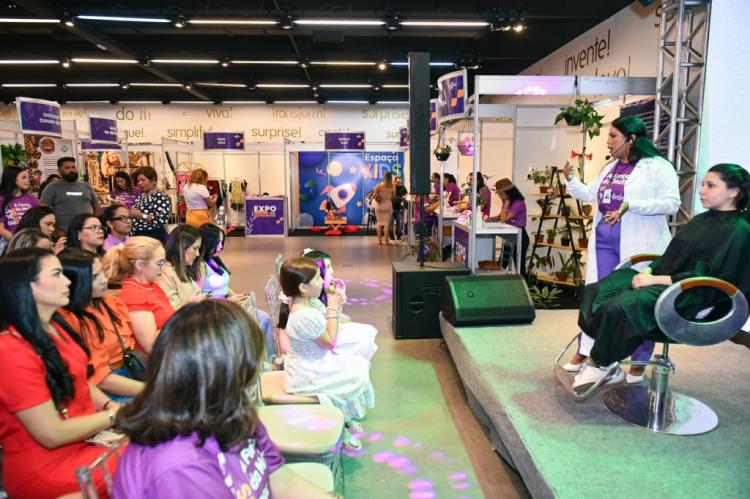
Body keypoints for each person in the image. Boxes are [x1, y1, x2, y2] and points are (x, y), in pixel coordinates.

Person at [112, 300, 332, 498]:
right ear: (222, 375)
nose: (255, 375)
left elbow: (280, 479)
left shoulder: (230, 408)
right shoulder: (178, 466)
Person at [572, 164, 750, 393]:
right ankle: (609, 359)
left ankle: (600, 363)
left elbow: (710, 275)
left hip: (695, 294)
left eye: (710, 185)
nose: (701, 190)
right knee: (599, 290)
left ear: (734, 191)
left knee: (624, 305)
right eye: (702, 184)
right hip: (669, 281)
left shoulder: (739, 230)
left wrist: (656, 280)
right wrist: (649, 270)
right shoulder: (702, 220)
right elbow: (672, 255)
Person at [562, 115, 680, 381]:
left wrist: (632, 205)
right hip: (604, 244)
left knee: (635, 304)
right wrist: (571, 179)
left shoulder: (657, 166)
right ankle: (592, 353)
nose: (608, 141)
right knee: (599, 299)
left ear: (631, 138)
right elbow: (590, 194)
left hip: (638, 247)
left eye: (613, 136)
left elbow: (671, 203)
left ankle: (639, 360)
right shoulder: (610, 167)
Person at [0, 248, 121, 498]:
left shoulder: (56, 324)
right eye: (56, 274)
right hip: (47, 465)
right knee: (150, 460)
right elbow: (51, 433)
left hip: (84, 441)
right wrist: (114, 415)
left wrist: (109, 408)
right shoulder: (10, 349)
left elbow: (80, 380)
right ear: (27, 286)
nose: (67, 281)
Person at [278, 257, 375, 450]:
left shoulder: (308, 302)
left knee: (355, 366)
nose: (323, 281)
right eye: (317, 278)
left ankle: (343, 420)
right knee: (354, 375)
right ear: (303, 287)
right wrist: (332, 305)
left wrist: (335, 304)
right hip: (306, 373)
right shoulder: (303, 315)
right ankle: (340, 430)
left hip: (313, 362)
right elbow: (330, 341)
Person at [57, 248, 145, 401]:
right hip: (107, 388)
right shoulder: (70, 320)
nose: (104, 279)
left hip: (133, 368)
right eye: (94, 277)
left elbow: (132, 341)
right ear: (72, 282)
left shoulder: (110, 301)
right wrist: (151, 390)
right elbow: (99, 378)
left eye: (102, 272)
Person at [196, 223, 276, 357]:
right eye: (217, 242)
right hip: (214, 313)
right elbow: (199, 297)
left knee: (264, 318)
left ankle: (269, 358)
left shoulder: (214, 260)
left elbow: (223, 286)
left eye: (222, 242)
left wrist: (236, 295)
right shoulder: (200, 266)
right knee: (260, 322)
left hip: (226, 306)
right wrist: (227, 300)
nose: (221, 246)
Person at [301, 249, 378, 360]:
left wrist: (338, 303)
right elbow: (329, 338)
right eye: (328, 268)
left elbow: (334, 320)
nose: (332, 271)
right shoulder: (310, 303)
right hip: (321, 344)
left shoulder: (320, 294)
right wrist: (334, 305)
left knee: (368, 331)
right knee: (364, 338)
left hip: (329, 333)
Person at [104, 236, 174, 353]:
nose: (164, 268)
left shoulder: (151, 285)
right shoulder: (134, 296)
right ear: (140, 265)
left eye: (164, 262)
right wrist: (180, 320)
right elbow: (151, 346)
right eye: (159, 263)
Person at [40, 156, 100, 232]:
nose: (71, 170)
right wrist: (57, 230)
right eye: (67, 168)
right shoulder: (51, 187)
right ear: (59, 171)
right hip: (63, 233)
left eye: (73, 167)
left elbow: (96, 207)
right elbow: (43, 211)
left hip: (86, 232)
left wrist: (95, 224)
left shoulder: (86, 186)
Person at [486, 178, 529, 277]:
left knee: (520, 265)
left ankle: (525, 284)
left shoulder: (518, 203)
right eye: (499, 194)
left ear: (509, 192)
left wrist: (506, 203)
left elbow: (503, 219)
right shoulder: (509, 202)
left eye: (501, 194)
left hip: (520, 236)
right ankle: (499, 281)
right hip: (510, 235)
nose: (500, 196)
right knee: (503, 262)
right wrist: (490, 219)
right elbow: (500, 216)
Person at [157, 224, 206, 309]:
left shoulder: (193, 267)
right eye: (195, 248)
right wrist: (189, 304)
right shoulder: (166, 274)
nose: (198, 254)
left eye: (198, 249)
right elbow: (171, 311)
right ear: (180, 247)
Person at [0, 166, 40, 253]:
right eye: (24, 177)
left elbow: (42, 217)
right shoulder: (2, 200)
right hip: (10, 245)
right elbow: (0, 228)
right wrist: (17, 241)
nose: (27, 180)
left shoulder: (32, 199)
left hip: (31, 243)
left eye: (28, 178)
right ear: (13, 179)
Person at [128, 166, 172, 242]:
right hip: (137, 236)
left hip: (152, 237)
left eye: (143, 180)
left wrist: (140, 215)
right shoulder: (141, 196)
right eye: (138, 181)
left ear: (153, 180)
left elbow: (160, 220)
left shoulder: (159, 196)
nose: (140, 183)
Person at [372, 171, 396, 245]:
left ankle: (379, 241)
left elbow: (373, 196)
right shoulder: (393, 187)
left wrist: (379, 196)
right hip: (388, 206)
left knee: (379, 223)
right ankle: (386, 241)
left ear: (384, 177)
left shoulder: (378, 186)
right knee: (386, 224)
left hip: (379, 206)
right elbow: (393, 197)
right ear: (390, 178)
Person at [391, 175, 408, 242]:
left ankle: (398, 237)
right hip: (391, 209)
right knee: (391, 224)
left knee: (400, 223)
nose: (399, 184)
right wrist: (401, 198)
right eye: (398, 182)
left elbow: (406, 194)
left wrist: (405, 197)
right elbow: (392, 198)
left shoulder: (402, 187)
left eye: (400, 182)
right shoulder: (391, 188)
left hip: (398, 209)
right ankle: (391, 238)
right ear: (394, 182)